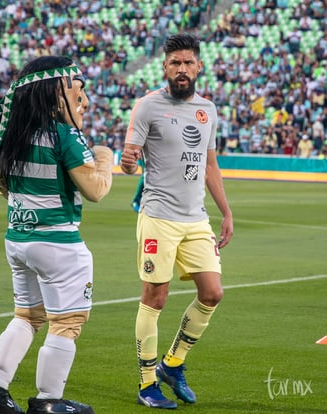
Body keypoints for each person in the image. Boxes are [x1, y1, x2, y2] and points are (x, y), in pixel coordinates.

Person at [0, 55, 113, 414]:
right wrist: (105, 158)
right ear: (55, 94)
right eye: (78, 94)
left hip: (18, 238)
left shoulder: (12, 134)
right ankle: (49, 400)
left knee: (27, 316)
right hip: (58, 242)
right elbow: (95, 189)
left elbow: (3, 186)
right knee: (67, 322)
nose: (84, 103)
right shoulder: (63, 134)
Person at [120, 33, 233, 409]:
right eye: (174, 63)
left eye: (187, 63)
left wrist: (226, 211)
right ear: (164, 67)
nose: (181, 69)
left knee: (212, 293)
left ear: (198, 66)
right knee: (156, 297)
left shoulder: (208, 110)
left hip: (196, 218)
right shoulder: (147, 107)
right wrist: (128, 162)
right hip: (159, 218)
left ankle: (173, 363)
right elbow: (130, 155)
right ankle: (147, 382)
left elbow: (210, 164)